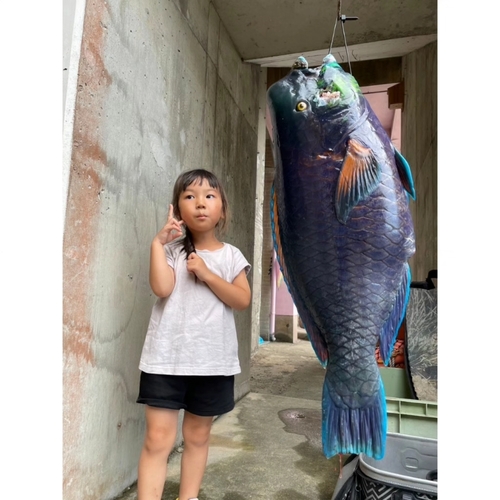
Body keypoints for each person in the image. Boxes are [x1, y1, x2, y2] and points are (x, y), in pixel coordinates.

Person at [136, 169, 252, 500]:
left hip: (212, 364)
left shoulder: (231, 256)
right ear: (177, 209)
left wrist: (207, 273)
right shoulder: (171, 250)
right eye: (190, 196)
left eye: (209, 196)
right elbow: (162, 288)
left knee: (198, 437)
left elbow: (241, 300)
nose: (200, 203)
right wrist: (158, 243)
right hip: (165, 360)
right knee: (158, 438)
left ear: (223, 210)